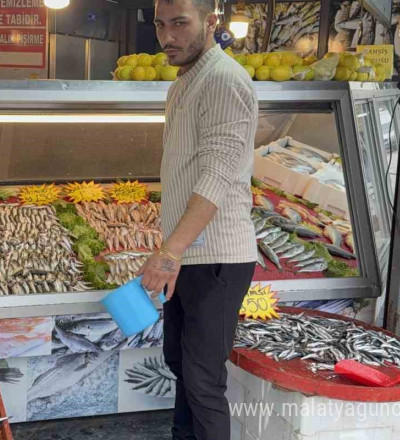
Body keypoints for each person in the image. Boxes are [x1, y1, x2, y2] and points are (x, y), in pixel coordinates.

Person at [138, 0, 258, 439]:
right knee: (179, 363)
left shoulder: (224, 80)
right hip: (189, 254)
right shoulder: (185, 81)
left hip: (218, 258)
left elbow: (217, 178)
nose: (168, 37)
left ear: (211, 22)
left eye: (180, 24)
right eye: (160, 24)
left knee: (204, 380)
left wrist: (169, 252)